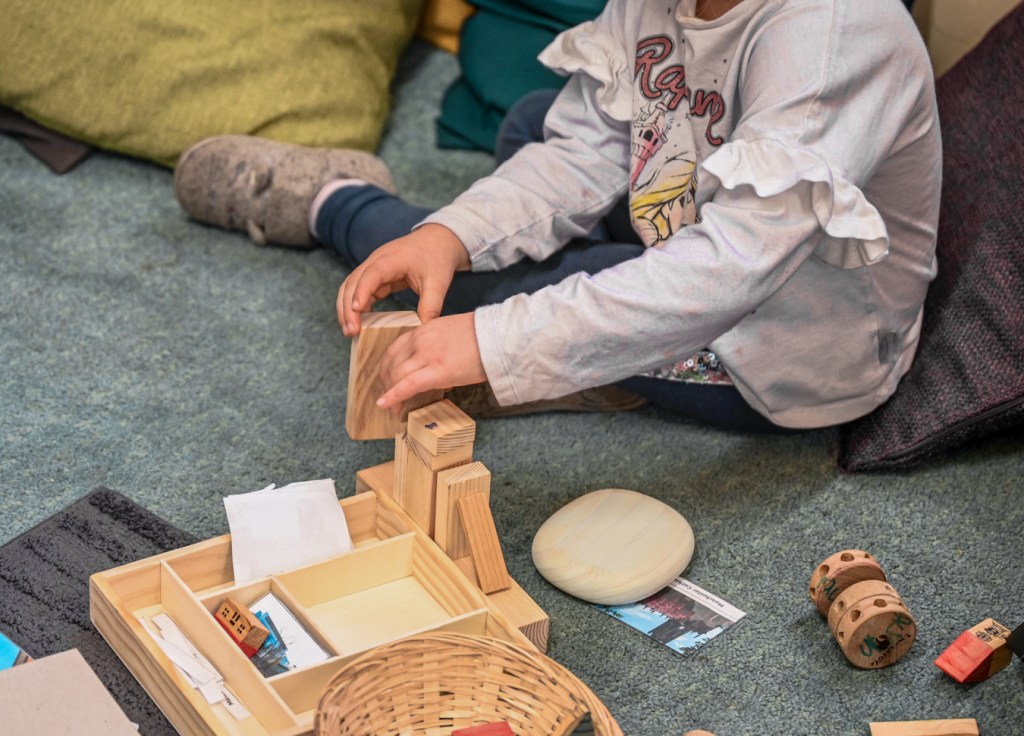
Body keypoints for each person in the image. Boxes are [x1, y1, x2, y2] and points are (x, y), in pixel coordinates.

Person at [174, 0, 941, 432]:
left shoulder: (836, 36)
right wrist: (452, 232)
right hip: (695, 222)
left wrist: (495, 341)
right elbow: (585, 148)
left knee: (476, 300)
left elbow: (729, 272)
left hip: (781, 341)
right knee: (533, 126)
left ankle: (337, 202)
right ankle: (565, 330)